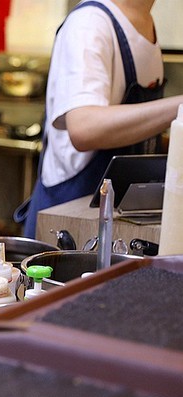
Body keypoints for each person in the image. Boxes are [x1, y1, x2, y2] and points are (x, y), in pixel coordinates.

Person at [18, 0, 183, 238]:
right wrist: (179, 107)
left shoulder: (145, 25)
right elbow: (84, 127)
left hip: (116, 223)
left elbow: (138, 133)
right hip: (70, 226)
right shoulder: (90, 24)